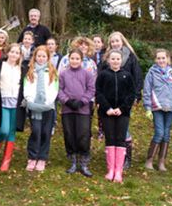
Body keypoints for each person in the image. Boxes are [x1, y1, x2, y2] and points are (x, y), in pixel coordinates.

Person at [101, 31, 143, 169]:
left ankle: (126, 157)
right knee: (111, 129)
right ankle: (112, 158)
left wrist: (136, 95)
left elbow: (137, 77)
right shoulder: (106, 58)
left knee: (124, 129)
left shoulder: (130, 57)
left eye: (117, 41)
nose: (115, 43)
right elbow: (100, 79)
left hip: (125, 100)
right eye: (112, 41)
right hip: (109, 100)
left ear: (122, 41)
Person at [96, 49, 135, 183]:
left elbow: (131, 94)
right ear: (108, 60)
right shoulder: (103, 75)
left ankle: (118, 170)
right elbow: (98, 93)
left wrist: (122, 109)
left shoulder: (127, 75)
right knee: (110, 138)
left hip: (122, 113)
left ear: (121, 60)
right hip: (107, 113)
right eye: (113, 59)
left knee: (120, 139)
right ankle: (110, 169)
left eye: (118, 59)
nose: (115, 61)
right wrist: (107, 108)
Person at [58, 49, 95, 176]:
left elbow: (91, 89)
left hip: (82, 109)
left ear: (81, 60)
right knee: (69, 134)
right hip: (67, 109)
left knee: (83, 135)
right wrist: (67, 101)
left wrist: (82, 101)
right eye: (72, 58)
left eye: (77, 59)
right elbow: (59, 89)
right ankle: (73, 161)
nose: (74, 61)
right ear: (69, 59)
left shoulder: (87, 74)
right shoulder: (63, 74)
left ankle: (84, 163)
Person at [0, 43, 26, 172]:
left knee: (11, 131)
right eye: (12, 52)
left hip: (16, 103)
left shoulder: (22, 68)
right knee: (4, 129)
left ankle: (6, 160)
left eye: (17, 53)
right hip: (3, 101)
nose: (14, 54)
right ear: (8, 52)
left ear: (20, 55)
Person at [143, 49, 172, 171]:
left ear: (168, 59)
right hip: (157, 106)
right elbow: (147, 90)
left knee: (166, 134)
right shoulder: (151, 73)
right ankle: (149, 160)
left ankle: (161, 162)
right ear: (155, 60)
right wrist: (147, 107)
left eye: (163, 58)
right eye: (158, 58)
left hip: (171, 107)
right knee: (159, 132)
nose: (161, 60)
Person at [23, 46, 59, 172]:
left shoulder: (52, 72)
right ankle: (32, 157)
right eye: (39, 56)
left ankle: (42, 158)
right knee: (36, 131)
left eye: (44, 56)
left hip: (48, 107)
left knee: (45, 132)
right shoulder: (30, 72)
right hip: (34, 107)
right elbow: (27, 88)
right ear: (35, 57)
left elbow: (54, 89)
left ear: (48, 58)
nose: (41, 58)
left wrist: (47, 103)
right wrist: (31, 101)